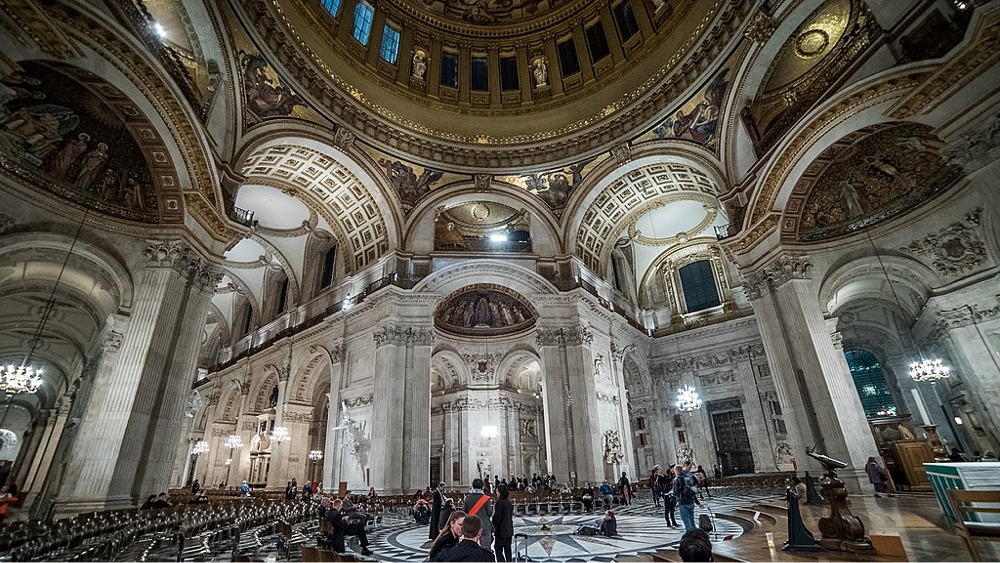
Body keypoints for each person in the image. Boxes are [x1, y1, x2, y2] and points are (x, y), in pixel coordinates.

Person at [462, 478, 494, 550]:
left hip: (471, 526)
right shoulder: (486, 498)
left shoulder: (468, 498)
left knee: (470, 548)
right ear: (483, 486)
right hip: (484, 525)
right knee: (485, 548)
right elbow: (489, 513)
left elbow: (464, 511)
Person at [673, 464, 702, 532]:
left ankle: (691, 536)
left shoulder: (677, 480)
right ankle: (695, 534)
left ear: (676, 471)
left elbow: (675, 492)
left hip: (683, 502)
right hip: (691, 501)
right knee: (692, 520)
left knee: (686, 521)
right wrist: (698, 503)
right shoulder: (688, 478)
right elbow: (692, 490)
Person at [492, 484, 514, 561]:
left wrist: (494, 527)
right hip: (509, 530)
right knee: (508, 550)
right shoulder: (508, 502)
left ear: (501, 492)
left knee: (498, 549)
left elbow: (497, 518)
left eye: (497, 491)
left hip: (501, 531)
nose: (496, 492)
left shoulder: (499, 503)